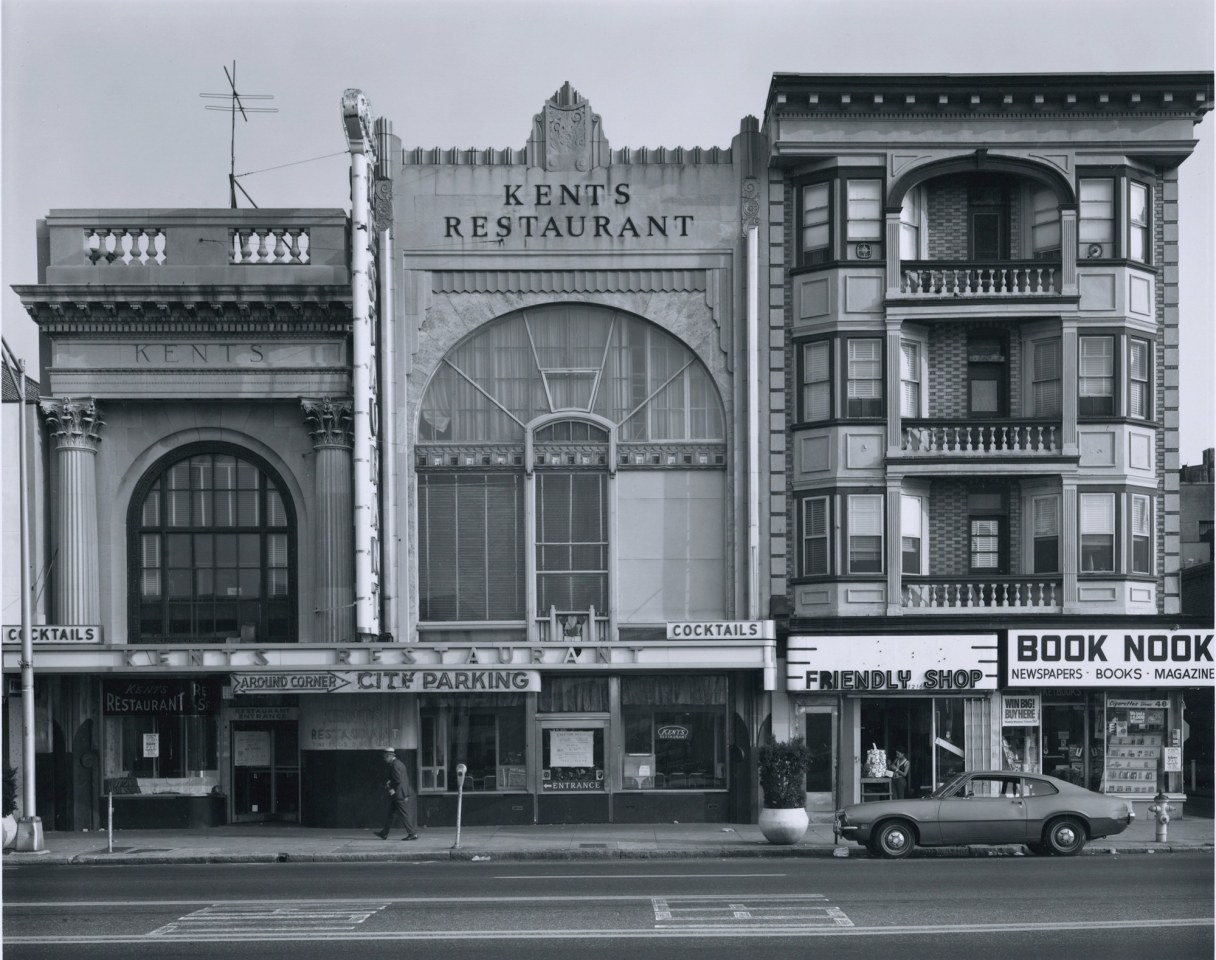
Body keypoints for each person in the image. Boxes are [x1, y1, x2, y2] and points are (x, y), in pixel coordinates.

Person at [375, 747, 419, 841]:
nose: (384, 759)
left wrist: (389, 784)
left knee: (404, 814)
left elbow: (397, 780)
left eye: (385, 757)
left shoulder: (394, 765)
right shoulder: (399, 763)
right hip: (400, 792)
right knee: (390, 813)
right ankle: (384, 833)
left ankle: (412, 834)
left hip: (399, 794)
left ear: (389, 756)